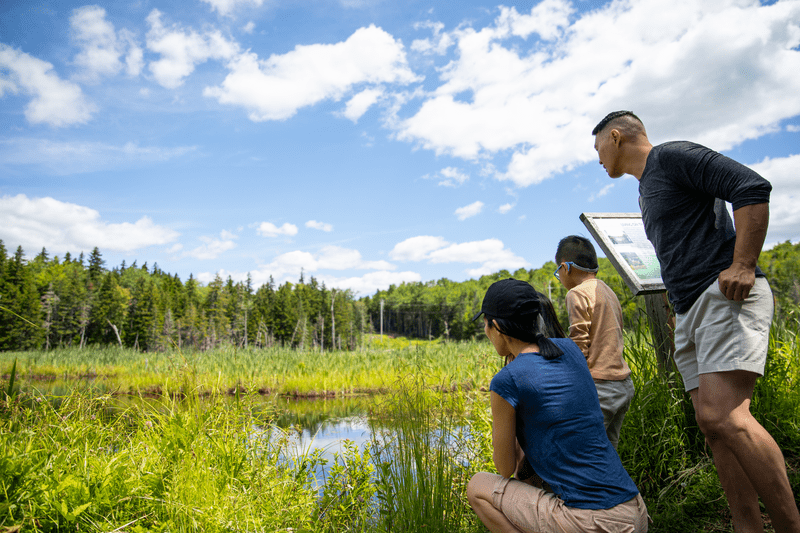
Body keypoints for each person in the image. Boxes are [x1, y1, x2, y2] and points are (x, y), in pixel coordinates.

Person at [592, 110, 800, 533]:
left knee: (725, 415)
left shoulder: (671, 157)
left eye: (597, 147)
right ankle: (747, 527)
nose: (597, 158)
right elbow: (678, 249)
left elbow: (751, 186)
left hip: (724, 295)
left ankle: (789, 524)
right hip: (690, 310)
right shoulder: (645, 190)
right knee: (713, 427)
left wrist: (744, 263)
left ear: (615, 136)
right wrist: (676, 308)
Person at [466, 278, 648, 533]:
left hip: (596, 523)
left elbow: (505, 468)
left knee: (478, 487)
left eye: (485, 324)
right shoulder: (570, 349)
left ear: (496, 326)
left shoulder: (506, 381)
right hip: (633, 511)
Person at [554, 235, 634, 449]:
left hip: (600, 387)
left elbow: (579, 345)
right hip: (622, 384)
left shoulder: (576, 294)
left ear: (566, 267)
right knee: (608, 452)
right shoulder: (608, 291)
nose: (559, 277)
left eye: (558, 272)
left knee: (583, 452)